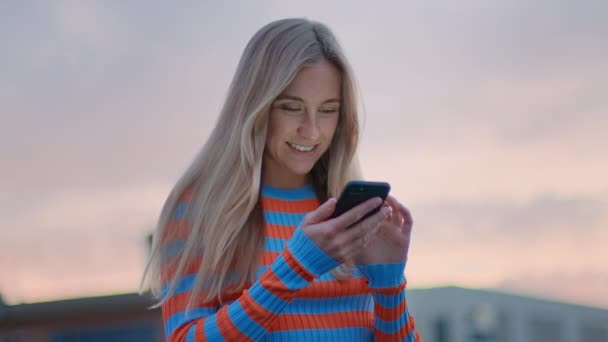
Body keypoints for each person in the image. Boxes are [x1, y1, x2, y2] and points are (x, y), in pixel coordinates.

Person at [141, 18, 421, 341]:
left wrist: (390, 287)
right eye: (292, 108)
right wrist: (295, 267)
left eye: (328, 110)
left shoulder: (347, 214)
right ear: (256, 107)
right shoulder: (200, 208)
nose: (312, 130)